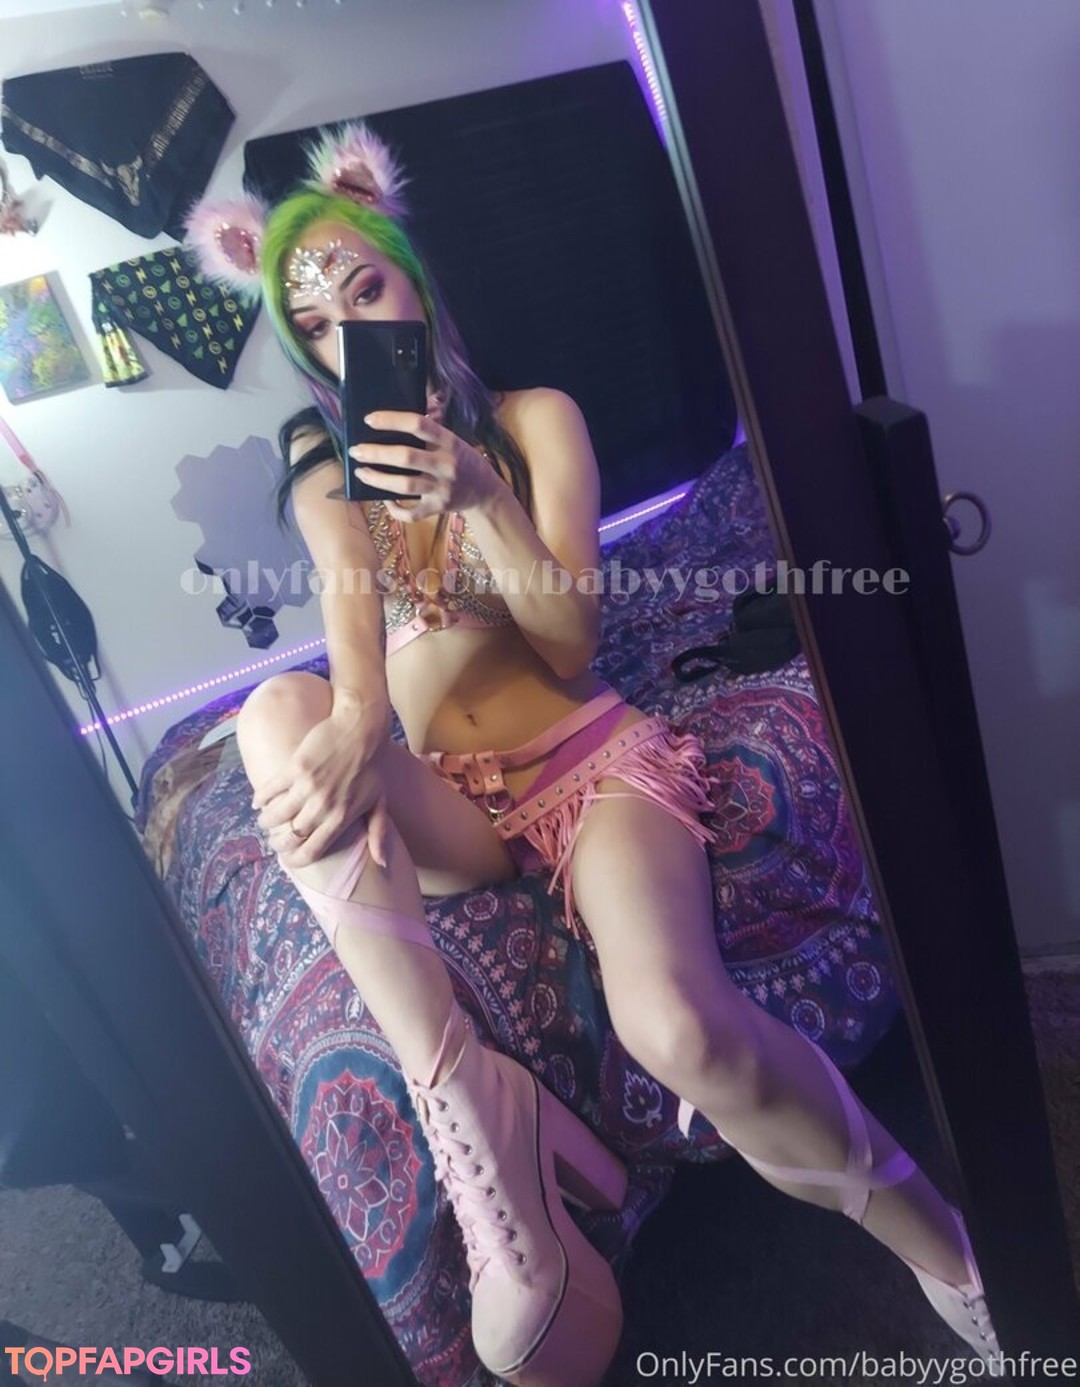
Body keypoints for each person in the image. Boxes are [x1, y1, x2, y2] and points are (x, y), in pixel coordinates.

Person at [187, 123, 1001, 1384]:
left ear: (415, 282)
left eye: (366, 288)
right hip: (455, 807)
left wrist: (481, 497)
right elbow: (350, 656)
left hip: (587, 766)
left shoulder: (532, 422)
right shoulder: (334, 486)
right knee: (273, 715)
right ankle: (472, 1106)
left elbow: (571, 640)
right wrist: (351, 721)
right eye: (318, 325)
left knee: (680, 1029)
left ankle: (955, 1263)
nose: (351, 331)